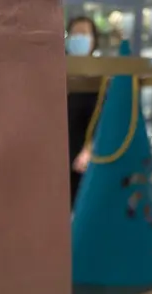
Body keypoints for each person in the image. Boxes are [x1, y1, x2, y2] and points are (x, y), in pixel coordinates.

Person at [66, 15, 100, 208]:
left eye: (84, 34)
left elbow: (102, 119)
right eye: (75, 33)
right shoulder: (57, 72)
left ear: (93, 41)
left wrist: (89, 150)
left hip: (82, 159)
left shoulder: (98, 79)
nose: (78, 38)